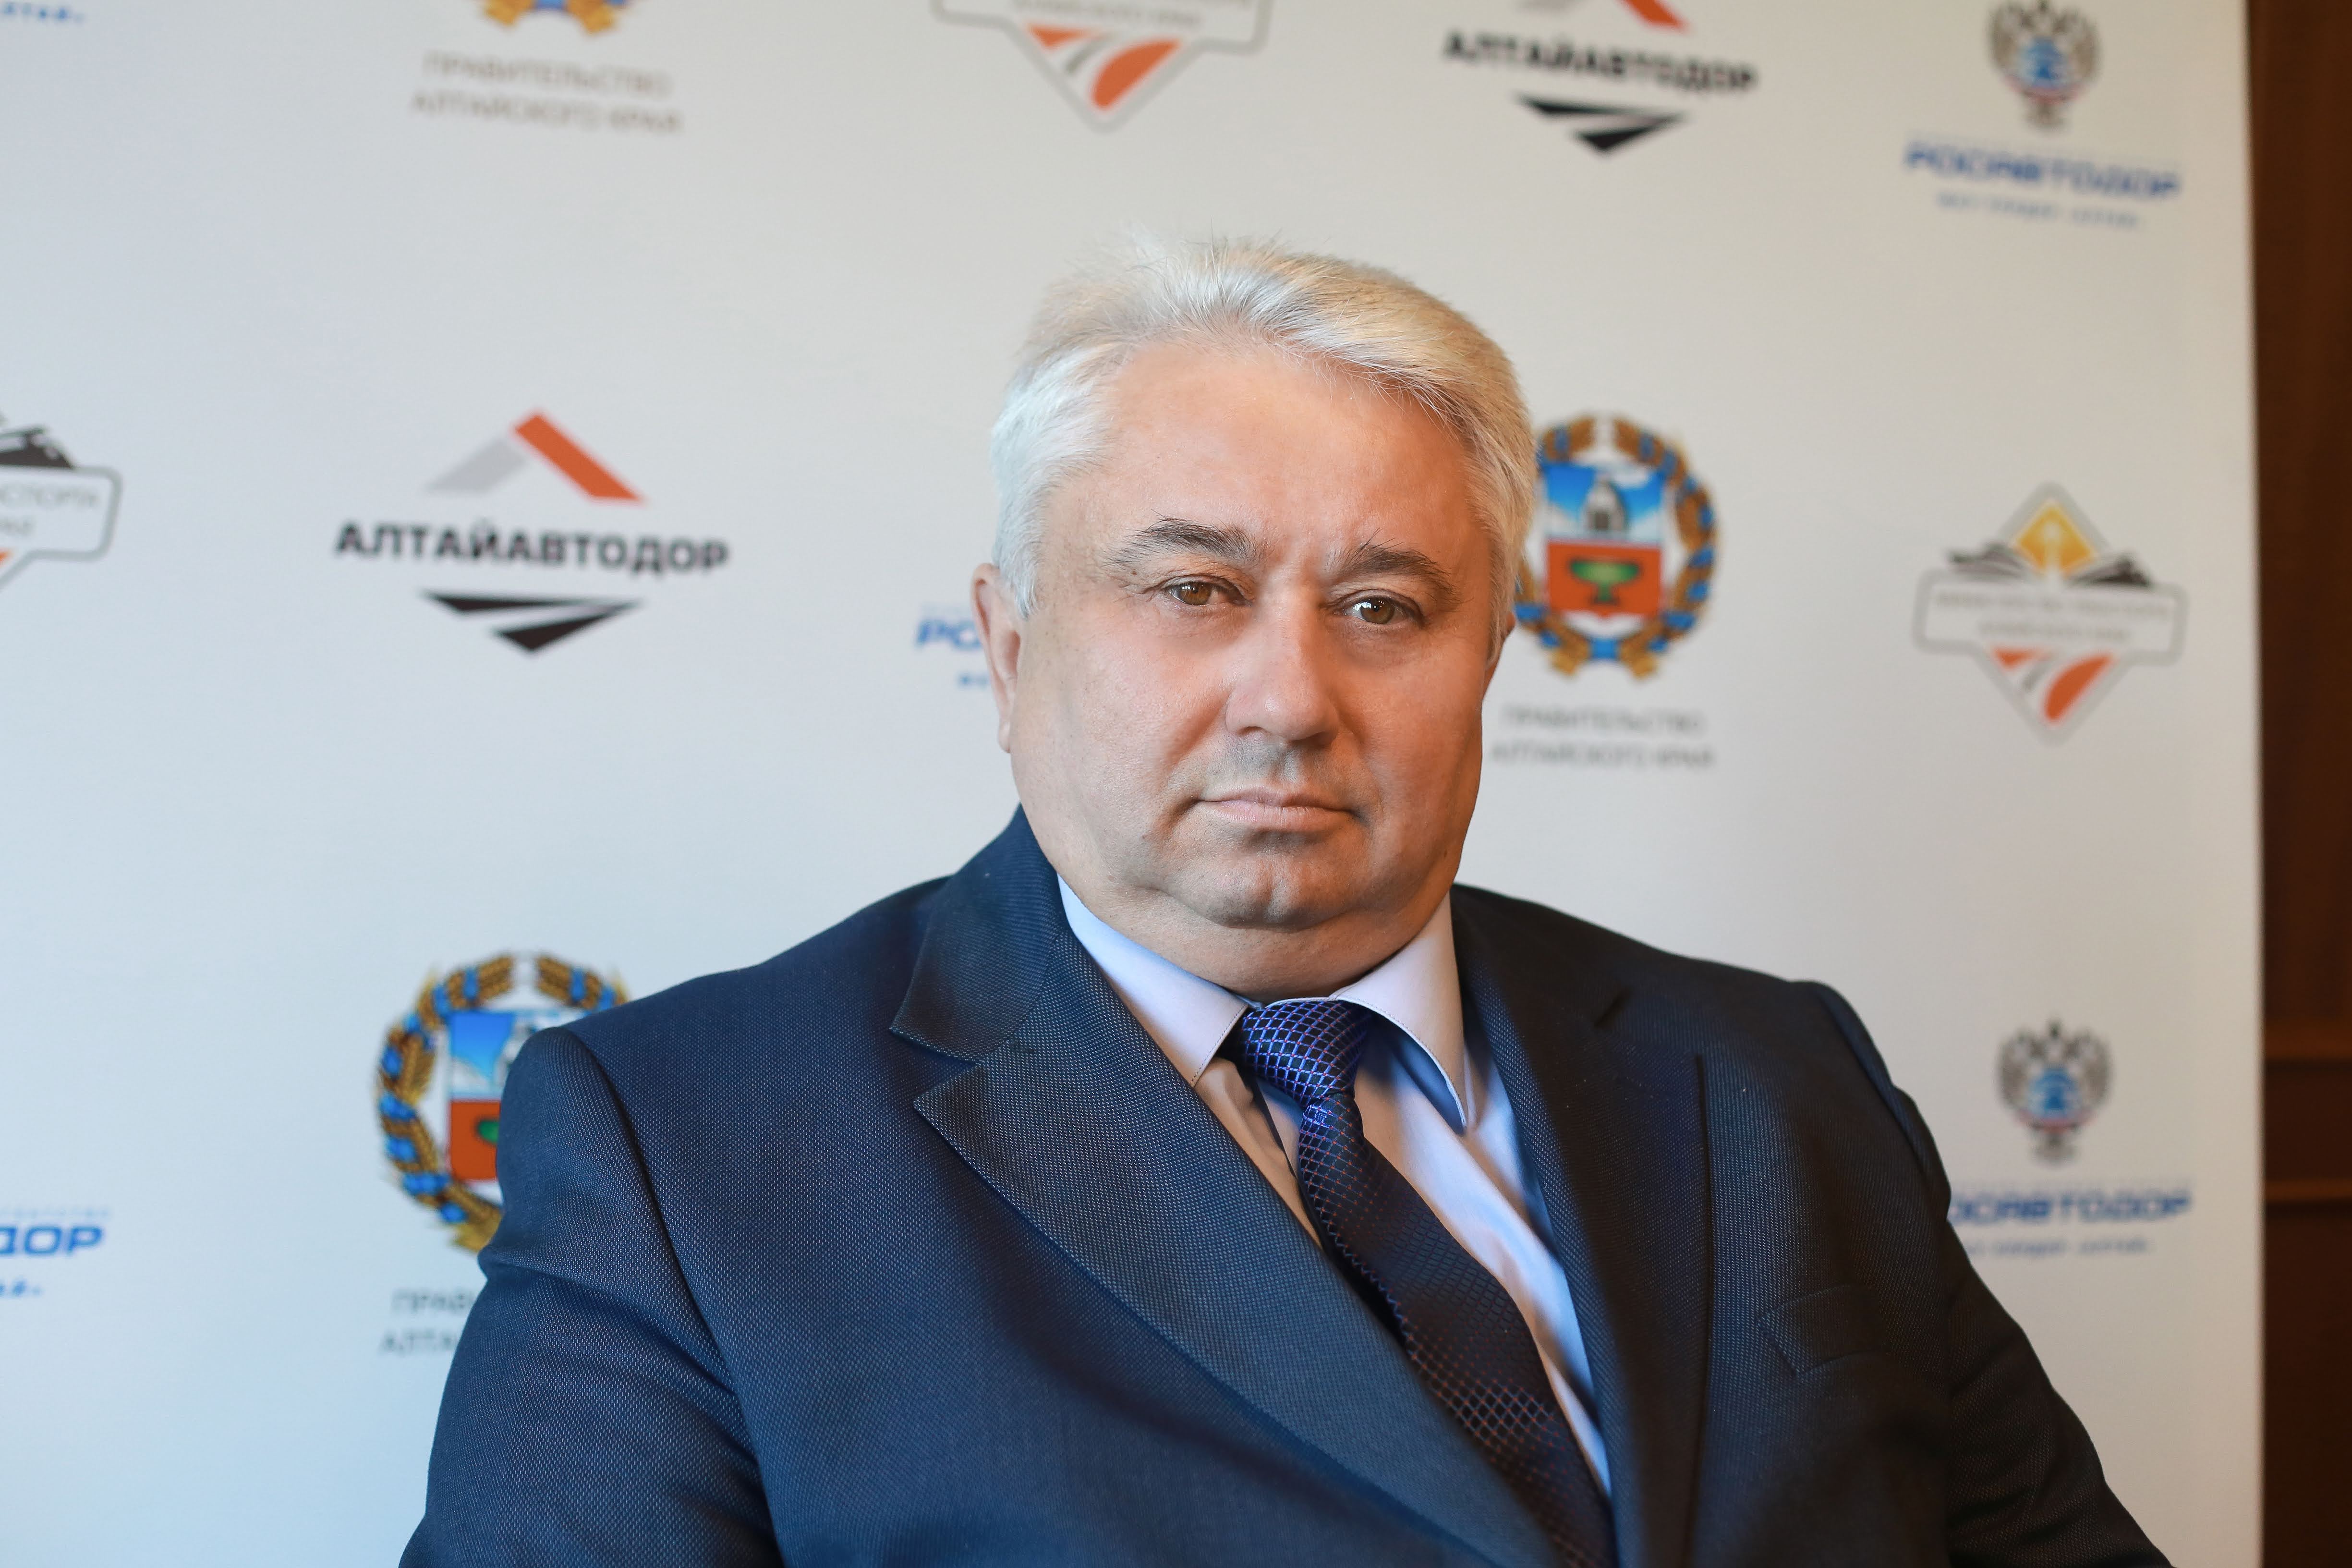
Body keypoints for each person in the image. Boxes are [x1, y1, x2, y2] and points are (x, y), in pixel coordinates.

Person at [405, 238, 2166, 1567]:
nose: (1287, 697)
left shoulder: (1778, 1075)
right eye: (1191, 587)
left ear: (1493, 655)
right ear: (1009, 646)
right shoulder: (689, 1143)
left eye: (1385, 607)